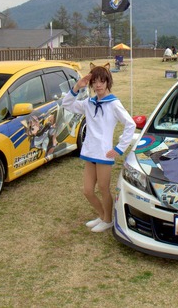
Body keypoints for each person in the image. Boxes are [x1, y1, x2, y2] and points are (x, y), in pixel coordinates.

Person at [62, 63, 136, 232]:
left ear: (107, 82)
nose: (98, 85)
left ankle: (108, 219)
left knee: (103, 189)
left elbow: (130, 124)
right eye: (94, 81)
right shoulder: (88, 102)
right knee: (88, 191)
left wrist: (119, 149)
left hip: (104, 154)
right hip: (89, 152)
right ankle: (103, 216)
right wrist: (77, 86)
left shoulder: (114, 104)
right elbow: (67, 104)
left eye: (102, 81)